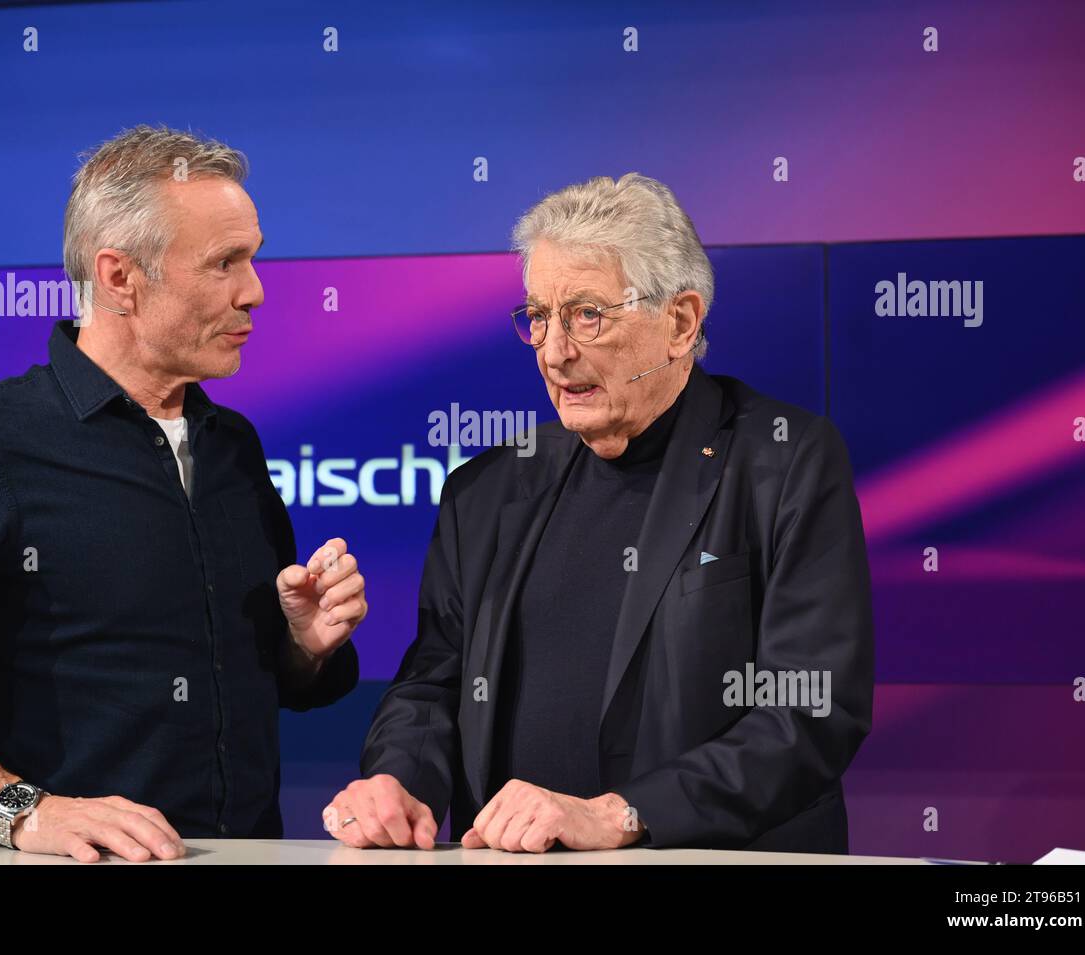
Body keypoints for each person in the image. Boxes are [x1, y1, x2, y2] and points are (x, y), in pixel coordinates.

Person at [0, 126, 366, 862]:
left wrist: (302, 647)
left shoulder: (232, 445)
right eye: (225, 263)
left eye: (253, 257)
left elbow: (279, 684)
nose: (256, 289)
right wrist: (21, 809)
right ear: (119, 278)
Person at [327, 173, 872, 853]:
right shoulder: (486, 490)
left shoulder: (784, 463)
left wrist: (624, 813)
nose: (555, 352)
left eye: (588, 315)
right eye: (539, 316)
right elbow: (433, 681)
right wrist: (397, 779)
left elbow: (809, 712)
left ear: (680, 322)